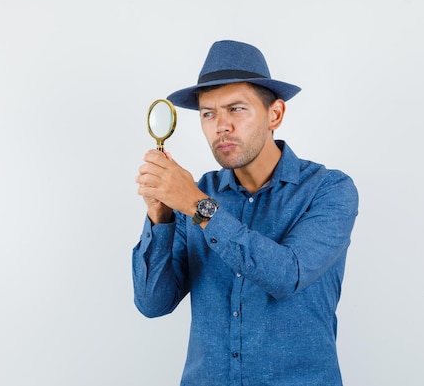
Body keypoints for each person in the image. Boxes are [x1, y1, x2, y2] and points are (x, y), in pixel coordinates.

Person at [133, 39, 359, 386]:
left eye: (236, 109)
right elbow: (153, 303)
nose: (221, 125)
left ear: (275, 114)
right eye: (208, 113)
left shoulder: (328, 190)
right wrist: (160, 218)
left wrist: (196, 206)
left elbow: (287, 276)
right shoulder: (197, 192)